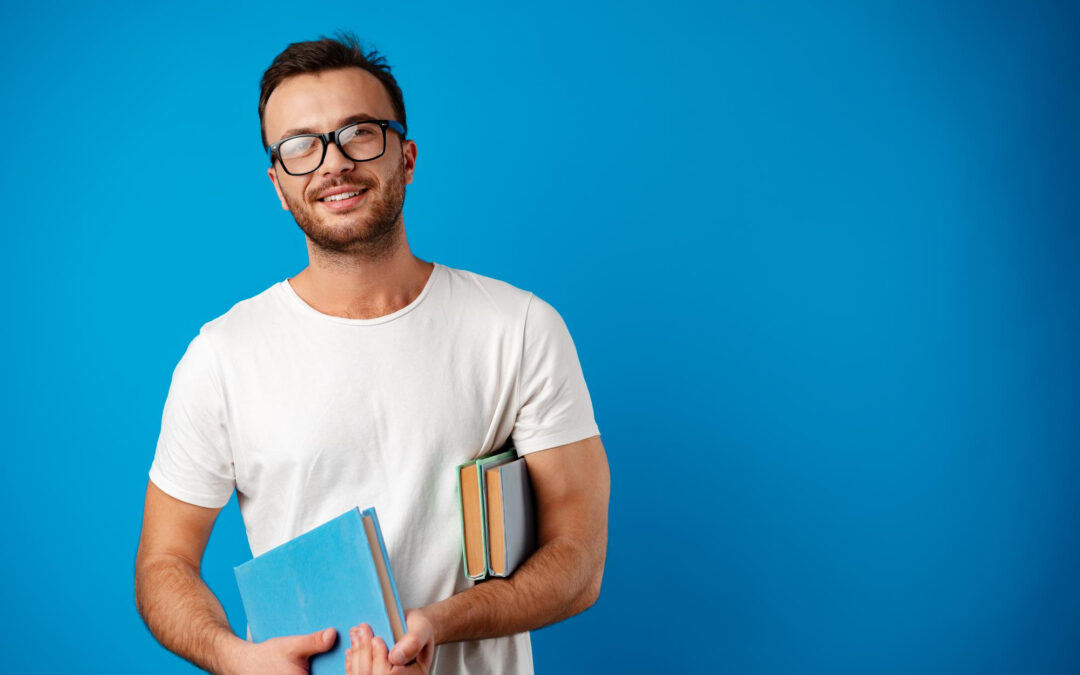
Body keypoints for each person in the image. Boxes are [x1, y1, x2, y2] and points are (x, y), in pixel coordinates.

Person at [133, 33, 609, 675]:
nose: (332, 163)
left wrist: (438, 624)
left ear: (406, 158)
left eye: (359, 132)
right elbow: (163, 564)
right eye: (300, 146)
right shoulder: (222, 357)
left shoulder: (518, 327)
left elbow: (578, 563)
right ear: (278, 183)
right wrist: (235, 659)